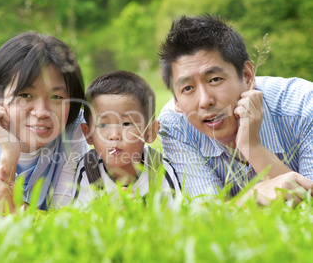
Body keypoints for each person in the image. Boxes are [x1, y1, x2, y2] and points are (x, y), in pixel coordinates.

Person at [158, 14, 313, 206]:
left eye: (215, 79)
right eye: (187, 88)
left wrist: (252, 147)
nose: (205, 101)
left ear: (247, 76)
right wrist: (253, 196)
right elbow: (207, 214)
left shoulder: (304, 106)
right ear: (176, 101)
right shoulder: (174, 125)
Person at [0, 32, 88, 224]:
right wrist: (9, 154)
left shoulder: (74, 129)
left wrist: (16, 208)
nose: (42, 111)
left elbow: (66, 221)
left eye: (57, 98)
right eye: (26, 95)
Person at [72, 70, 181, 206]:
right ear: (88, 134)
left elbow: (177, 218)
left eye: (127, 123)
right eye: (103, 125)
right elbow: (80, 219)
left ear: (150, 132)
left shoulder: (159, 169)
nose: (114, 136)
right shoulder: (89, 169)